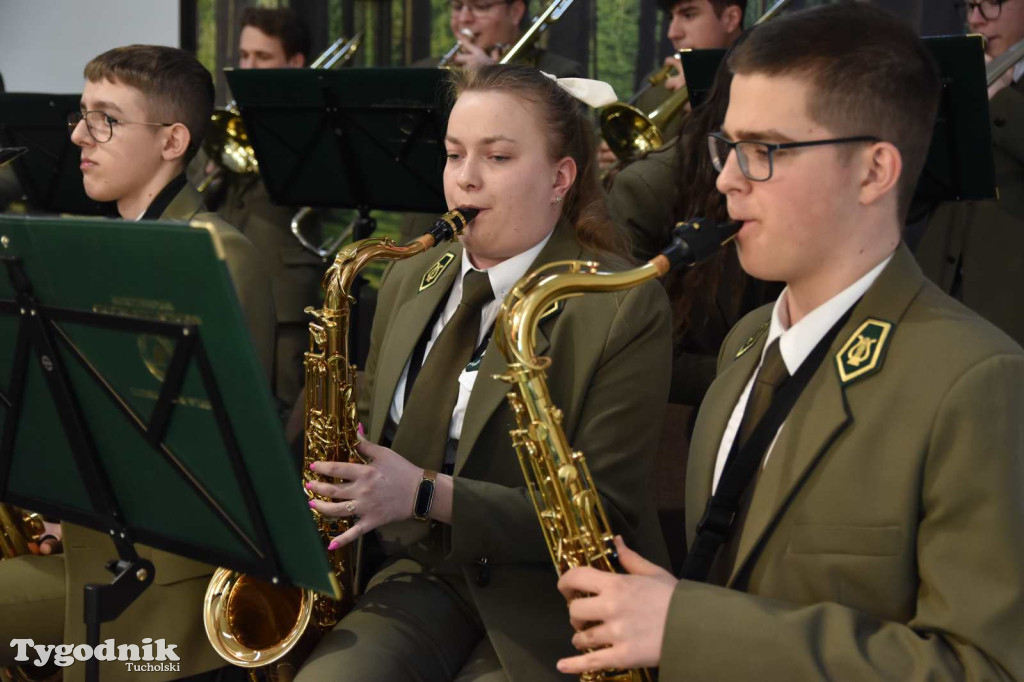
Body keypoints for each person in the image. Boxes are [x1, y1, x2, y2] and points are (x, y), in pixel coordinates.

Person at [556, 4, 1024, 680]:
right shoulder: (747, 344)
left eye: (764, 151)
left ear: (874, 171)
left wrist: (687, 625)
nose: (725, 180)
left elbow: (984, 668)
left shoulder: (978, 381)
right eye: (727, 146)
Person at [294, 64, 671, 682]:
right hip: (419, 577)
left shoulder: (620, 303)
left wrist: (422, 493)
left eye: (496, 157)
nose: (464, 178)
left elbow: (606, 514)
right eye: (452, 155)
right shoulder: (406, 278)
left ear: (560, 178)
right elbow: (359, 426)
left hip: (554, 599)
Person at [0, 44, 275, 682]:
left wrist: (70, 498)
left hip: (167, 577)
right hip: (102, 548)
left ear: (173, 139)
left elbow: (202, 449)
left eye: (106, 120)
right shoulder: (115, 245)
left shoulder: (215, 253)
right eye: (82, 114)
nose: (77, 135)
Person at [197, 6, 323, 410]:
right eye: (245, 56)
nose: (248, 67)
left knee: (284, 405)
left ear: (295, 62)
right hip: (227, 275)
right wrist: (216, 168)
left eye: (262, 58)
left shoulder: (318, 116)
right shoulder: (235, 119)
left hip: (284, 288)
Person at [914, 0, 1024, 345]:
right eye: (970, 6)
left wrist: (1000, 98)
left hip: (1006, 304)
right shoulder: (958, 72)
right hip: (935, 287)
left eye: (991, 4)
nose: (976, 18)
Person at [598, 0, 745, 175]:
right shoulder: (659, 88)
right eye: (670, 17)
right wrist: (620, 161)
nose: (672, 33)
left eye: (688, 15)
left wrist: (704, 102)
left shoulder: (762, 84)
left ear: (730, 19)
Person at [442, 0, 583, 75]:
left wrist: (491, 77)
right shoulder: (425, 67)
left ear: (515, 12)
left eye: (481, 7)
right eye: (457, 7)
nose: (464, 18)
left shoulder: (562, 73)